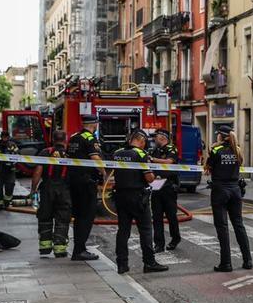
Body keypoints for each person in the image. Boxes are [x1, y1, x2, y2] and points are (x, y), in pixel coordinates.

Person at [108, 129, 169, 275]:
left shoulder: (117, 153)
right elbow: (149, 178)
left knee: (123, 231)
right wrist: (155, 177)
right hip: (137, 197)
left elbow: (111, 174)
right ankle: (149, 263)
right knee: (146, 230)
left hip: (120, 196)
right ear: (141, 141)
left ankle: (122, 264)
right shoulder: (141, 154)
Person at [204, 125, 251, 272]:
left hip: (220, 191)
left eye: (217, 134)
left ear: (220, 136)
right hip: (235, 190)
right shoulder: (237, 150)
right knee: (239, 225)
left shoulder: (215, 150)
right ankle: (247, 260)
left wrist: (210, 152)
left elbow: (207, 169)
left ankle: (226, 263)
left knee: (222, 227)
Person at [31, 130, 71, 258]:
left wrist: (33, 189)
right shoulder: (69, 154)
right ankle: (60, 249)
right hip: (64, 189)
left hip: (47, 188)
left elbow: (37, 172)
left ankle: (45, 247)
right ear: (65, 140)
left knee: (45, 217)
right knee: (63, 219)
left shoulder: (45, 152)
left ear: (53, 139)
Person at [67, 115, 103, 261]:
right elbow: (95, 159)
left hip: (74, 181)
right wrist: (105, 173)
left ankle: (79, 248)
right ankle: (79, 250)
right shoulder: (89, 138)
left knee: (79, 216)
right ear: (94, 124)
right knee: (86, 216)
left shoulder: (74, 137)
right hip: (86, 182)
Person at [149, 129, 181, 252]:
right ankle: (159, 244)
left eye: (155, 137)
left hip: (169, 187)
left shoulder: (171, 149)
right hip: (156, 186)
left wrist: (153, 160)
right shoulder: (155, 150)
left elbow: (169, 162)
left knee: (171, 215)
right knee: (157, 217)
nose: (154, 139)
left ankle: (175, 238)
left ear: (162, 137)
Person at [0, 131, 19, 211]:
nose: (5, 138)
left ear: (8, 137)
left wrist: (12, 155)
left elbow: (18, 155)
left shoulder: (12, 145)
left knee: (10, 186)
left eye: (6, 136)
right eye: (3, 136)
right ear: (1, 137)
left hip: (10, 171)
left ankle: (7, 202)